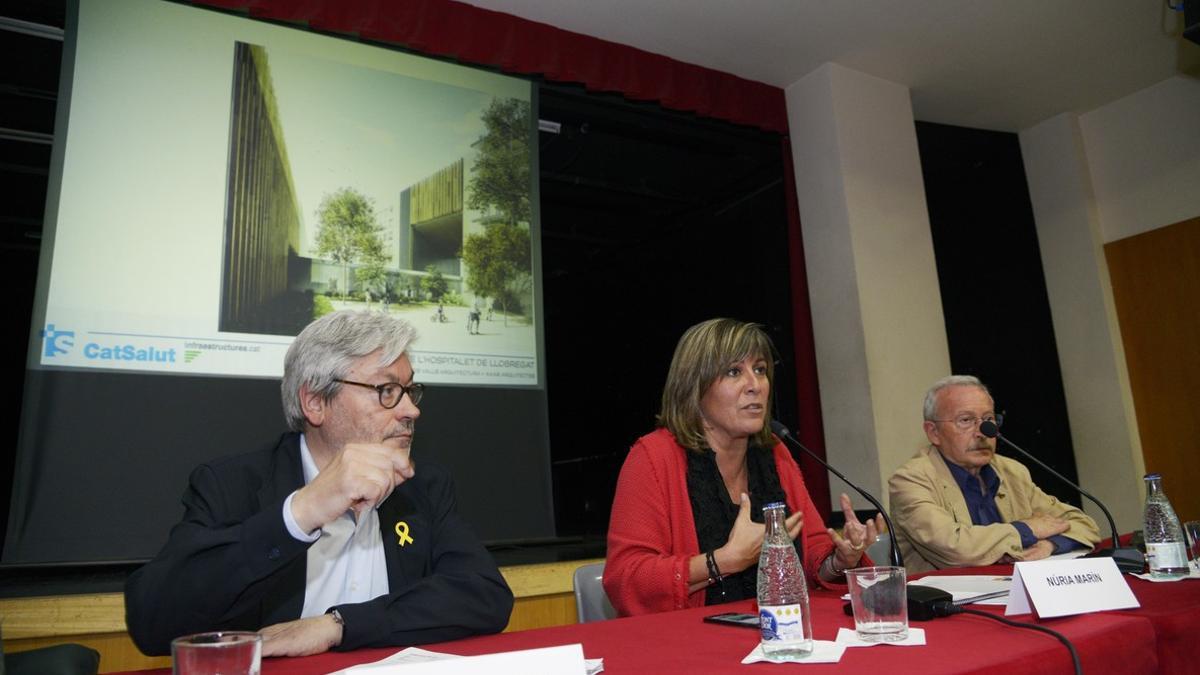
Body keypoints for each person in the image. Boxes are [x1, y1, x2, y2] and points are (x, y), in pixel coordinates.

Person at [125, 310, 512, 656]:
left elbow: (484, 595)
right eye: (387, 391)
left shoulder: (423, 485)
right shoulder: (231, 485)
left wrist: (337, 626)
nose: (412, 409)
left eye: (410, 390)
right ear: (315, 403)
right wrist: (300, 514)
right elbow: (154, 623)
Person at [603, 318, 883, 616]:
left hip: (777, 631)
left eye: (760, 370)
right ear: (694, 387)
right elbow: (626, 578)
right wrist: (724, 560)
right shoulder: (654, 457)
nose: (755, 386)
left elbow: (811, 552)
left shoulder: (775, 453)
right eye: (734, 372)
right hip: (687, 644)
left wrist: (839, 561)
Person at [888, 375, 1101, 573]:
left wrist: (1051, 544)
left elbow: (1084, 524)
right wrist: (1027, 529)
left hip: (1016, 593)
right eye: (965, 420)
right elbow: (956, 548)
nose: (983, 432)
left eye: (988, 418)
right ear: (934, 432)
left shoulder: (1011, 471)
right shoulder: (910, 480)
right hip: (951, 604)